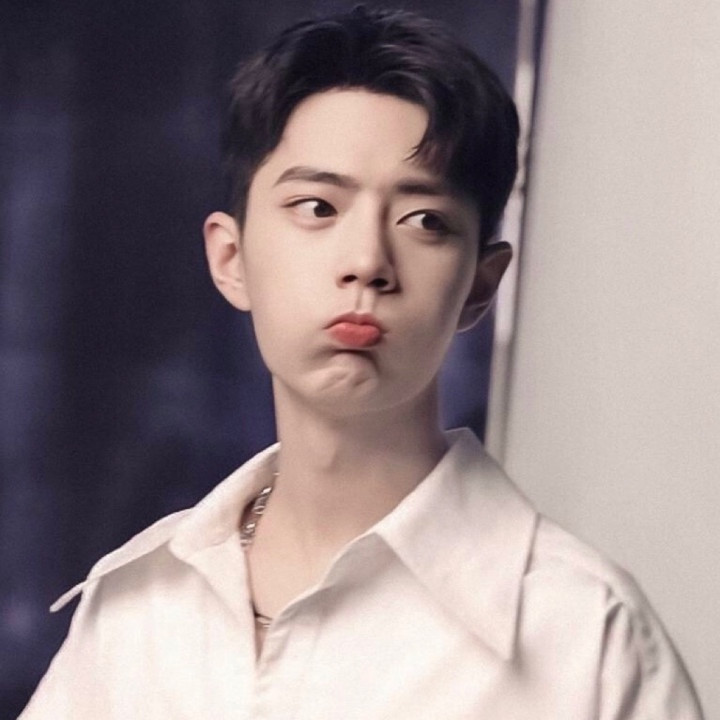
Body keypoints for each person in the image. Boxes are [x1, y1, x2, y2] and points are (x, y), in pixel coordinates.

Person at [19, 6, 703, 719]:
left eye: (425, 221)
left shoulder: (585, 636)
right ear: (231, 257)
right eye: (318, 207)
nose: (367, 261)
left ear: (480, 285)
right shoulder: (137, 610)